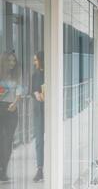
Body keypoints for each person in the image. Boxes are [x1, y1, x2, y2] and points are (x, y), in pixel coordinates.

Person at [0, 51, 21, 181]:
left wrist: (15, 103)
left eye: (14, 61)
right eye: (10, 61)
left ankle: (4, 170)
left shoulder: (17, 75)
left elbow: (19, 91)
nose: (12, 63)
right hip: (1, 108)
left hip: (12, 110)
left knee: (8, 141)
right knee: (1, 140)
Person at [31, 51, 45, 182]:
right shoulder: (35, 75)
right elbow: (32, 90)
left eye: (36, 60)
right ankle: (40, 169)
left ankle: (52, 166)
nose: (34, 62)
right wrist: (35, 94)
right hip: (38, 112)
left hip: (48, 111)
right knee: (39, 141)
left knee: (49, 140)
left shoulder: (48, 73)